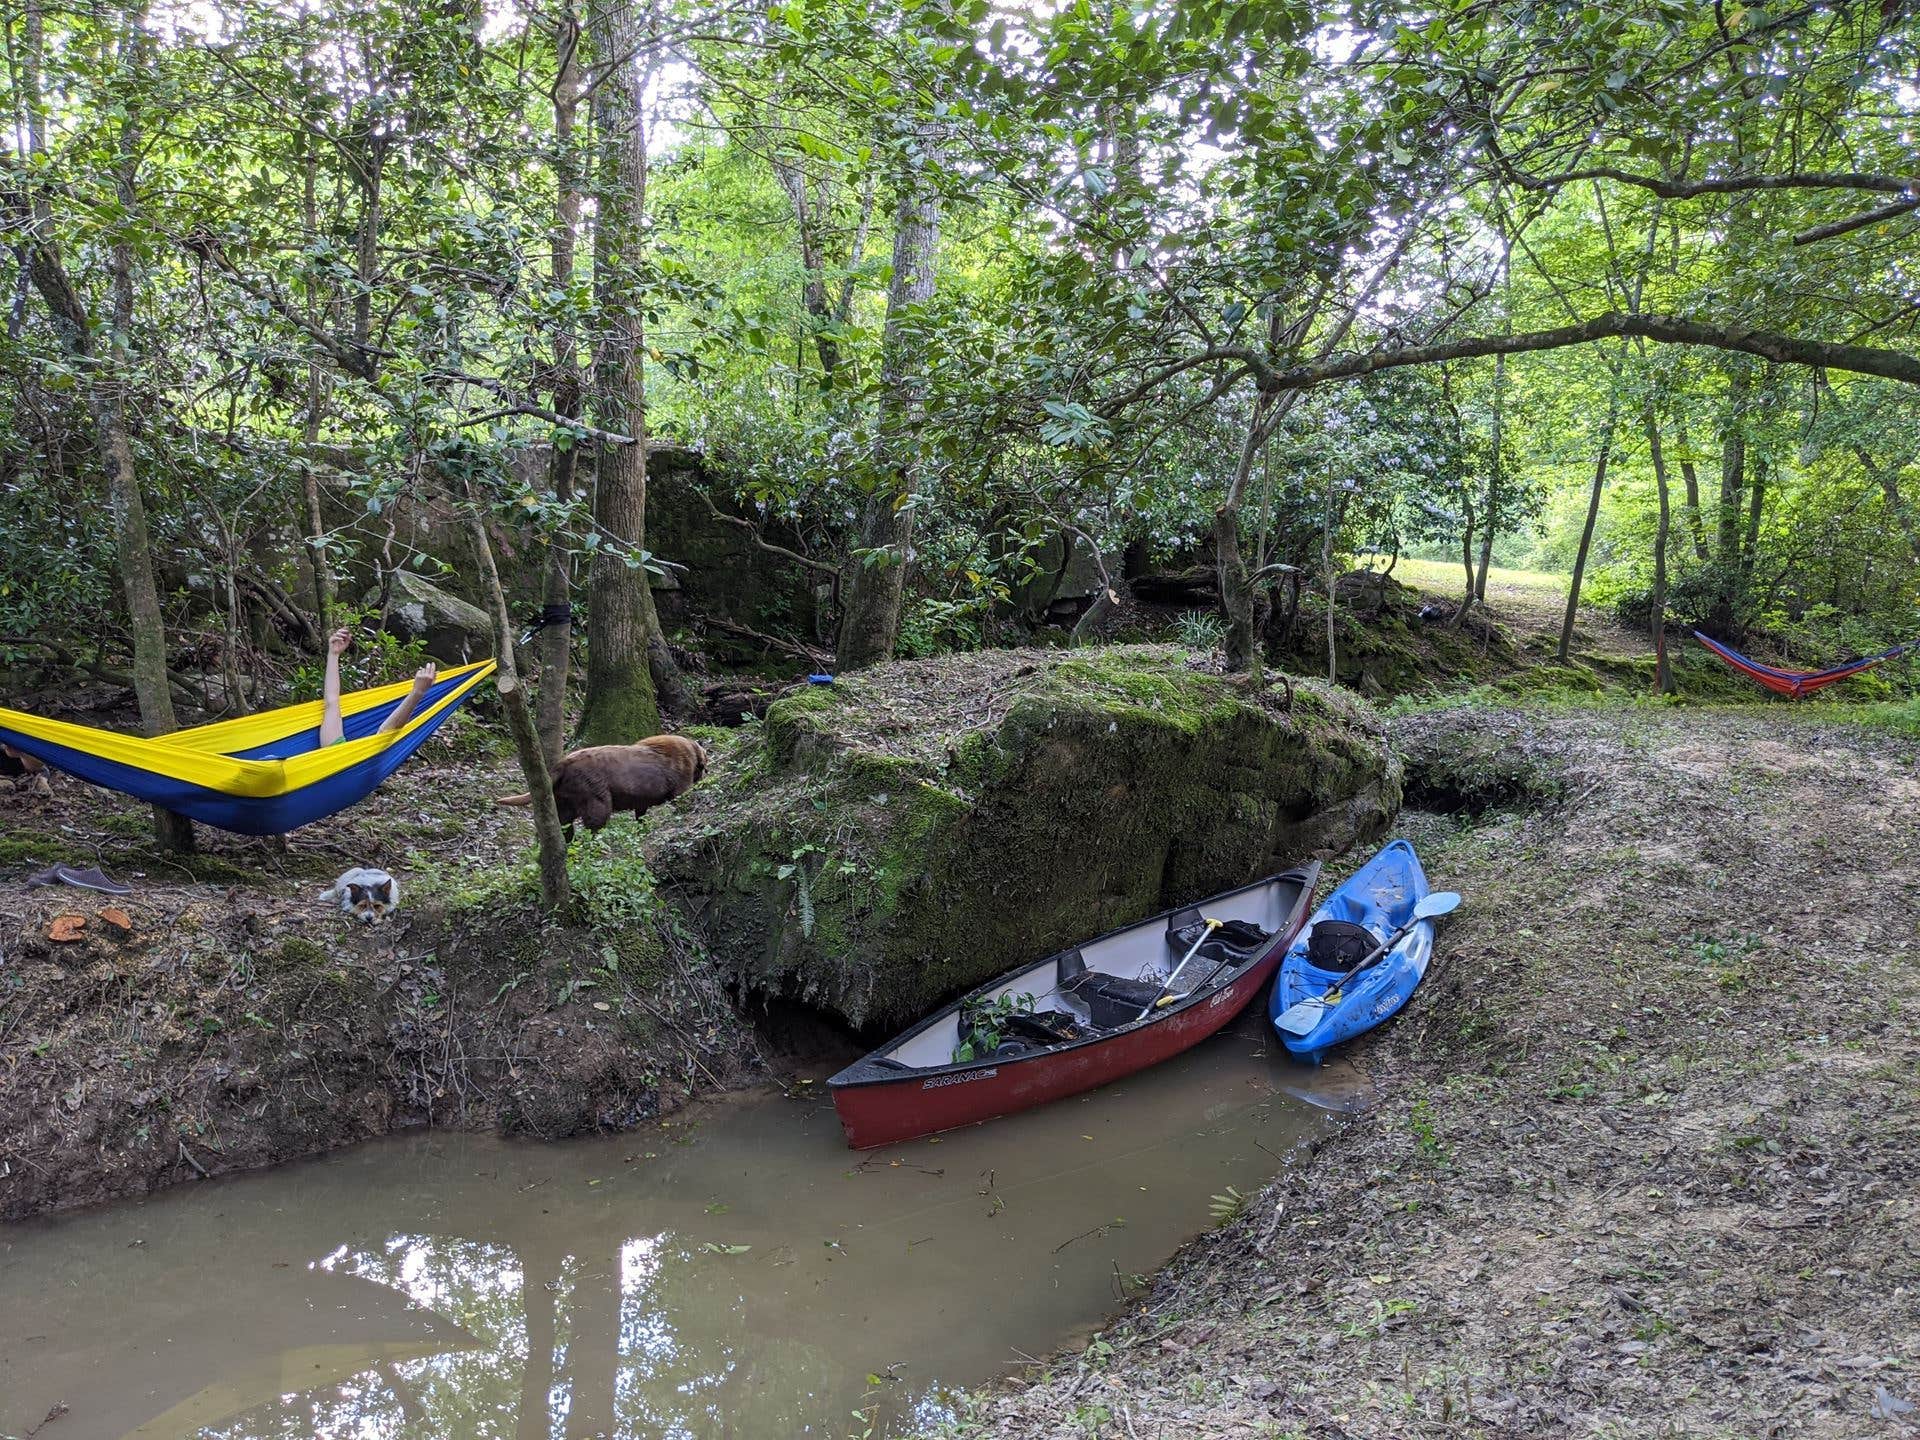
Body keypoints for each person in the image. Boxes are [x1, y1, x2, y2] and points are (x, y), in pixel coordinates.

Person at [319, 627, 437, 747]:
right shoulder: (335, 752)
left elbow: (331, 702)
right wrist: (417, 692)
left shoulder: (334, 751)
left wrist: (333, 655)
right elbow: (384, 733)